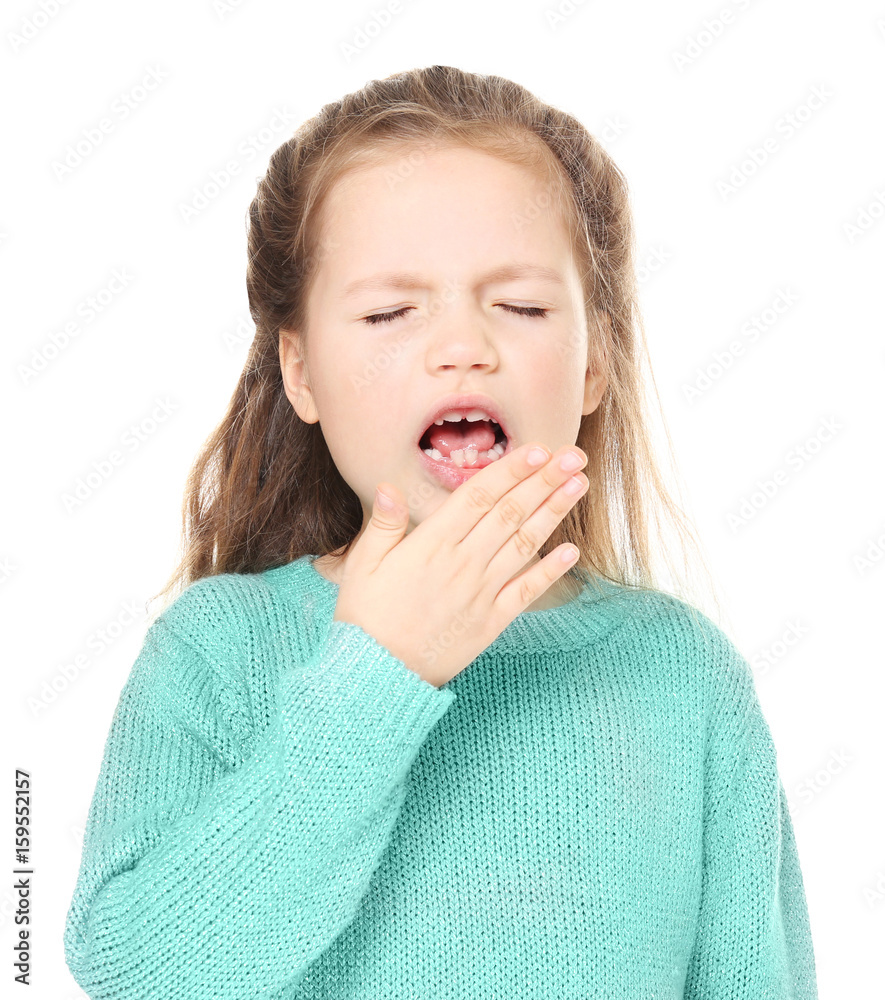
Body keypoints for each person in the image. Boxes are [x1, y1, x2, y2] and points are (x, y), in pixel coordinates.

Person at [62, 65, 819, 998]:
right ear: (299, 373)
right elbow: (139, 971)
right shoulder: (217, 650)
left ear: (593, 366)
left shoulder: (682, 675)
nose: (463, 345)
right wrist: (378, 673)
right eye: (389, 312)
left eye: (522, 306)